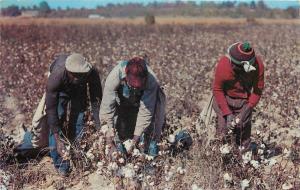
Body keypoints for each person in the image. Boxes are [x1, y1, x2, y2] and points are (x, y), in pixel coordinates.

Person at [15, 53, 102, 176]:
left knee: (79, 119)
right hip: (62, 88)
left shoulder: (91, 73)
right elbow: (51, 111)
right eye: (74, 76)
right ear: (67, 71)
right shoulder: (56, 76)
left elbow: (96, 101)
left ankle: (77, 155)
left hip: (80, 89)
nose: (77, 79)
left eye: (80, 76)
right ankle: (61, 163)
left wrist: (99, 127)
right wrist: (58, 139)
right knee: (58, 120)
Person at [100, 57, 165, 157]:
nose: (135, 87)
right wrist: (109, 142)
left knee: (151, 129)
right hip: (122, 97)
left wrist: (134, 141)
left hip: (143, 99)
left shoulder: (151, 80)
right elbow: (107, 109)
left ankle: (149, 151)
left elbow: (146, 112)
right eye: (132, 83)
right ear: (126, 74)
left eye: (138, 84)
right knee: (117, 128)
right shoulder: (114, 76)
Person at [212, 42, 264, 149]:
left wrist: (248, 109)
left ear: (246, 66)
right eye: (232, 63)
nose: (232, 66)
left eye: (236, 65)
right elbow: (217, 90)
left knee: (243, 131)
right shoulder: (224, 64)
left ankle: (241, 157)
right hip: (224, 98)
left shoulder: (258, 66)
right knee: (223, 130)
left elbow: (257, 91)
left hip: (243, 101)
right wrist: (227, 112)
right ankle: (221, 157)